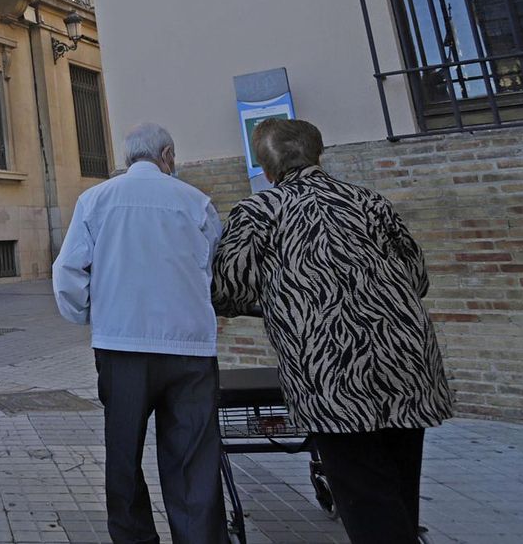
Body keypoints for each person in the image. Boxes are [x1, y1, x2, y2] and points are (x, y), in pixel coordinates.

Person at [212, 118, 451, 544]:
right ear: (318, 153)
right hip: (405, 360)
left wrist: (281, 301)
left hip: (331, 371)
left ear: (266, 167)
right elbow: (417, 278)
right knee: (398, 486)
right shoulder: (370, 202)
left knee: (366, 497)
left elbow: (226, 291)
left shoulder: (258, 212)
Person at [53, 123, 224, 544]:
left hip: (121, 346)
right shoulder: (196, 202)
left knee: (124, 455)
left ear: (129, 158)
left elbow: (68, 274)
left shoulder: (94, 200)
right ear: (166, 155)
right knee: (192, 459)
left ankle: (135, 538)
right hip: (189, 348)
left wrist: (91, 315)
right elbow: (211, 269)